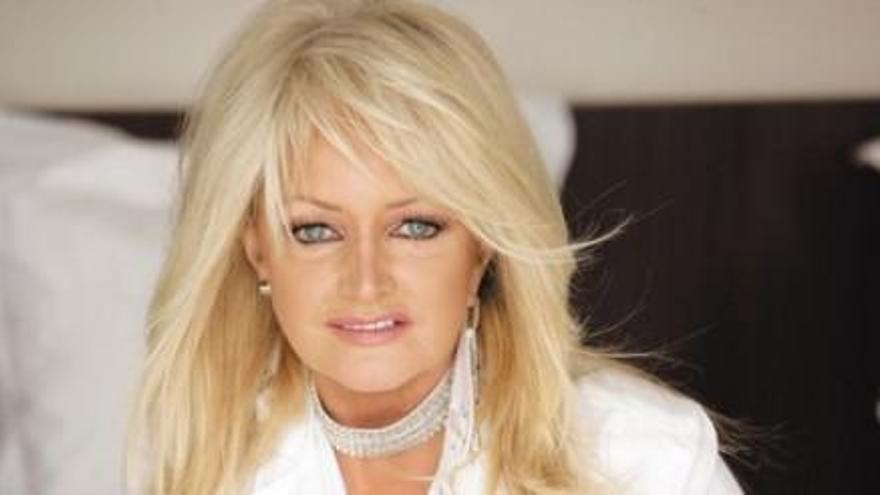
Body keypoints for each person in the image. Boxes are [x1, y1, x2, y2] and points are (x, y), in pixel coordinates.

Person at [127, 0, 744, 493]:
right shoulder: (198, 462)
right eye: (315, 230)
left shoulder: (650, 461)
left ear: (483, 244)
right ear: (257, 248)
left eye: (415, 227)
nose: (366, 281)